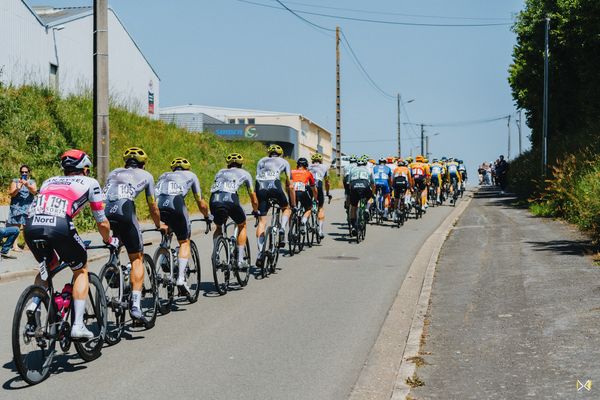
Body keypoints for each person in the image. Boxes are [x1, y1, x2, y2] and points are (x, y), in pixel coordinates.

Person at [24, 149, 116, 339]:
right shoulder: (90, 182)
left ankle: (34, 305)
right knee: (81, 270)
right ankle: (78, 325)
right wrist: (109, 240)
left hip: (31, 225)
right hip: (59, 225)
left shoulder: (49, 181)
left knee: (48, 266)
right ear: (84, 169)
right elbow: (101, 220)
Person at [104, 147, 167, 321]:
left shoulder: (114, 172)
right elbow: (153, 206)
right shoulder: (146, 176)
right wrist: (158, 224)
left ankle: (113, 266)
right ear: (143, 164)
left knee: (116, 238)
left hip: (106, 212)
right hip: (125, 211)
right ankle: (136, 306)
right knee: (137, 258)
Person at [155, 157, 210, 296]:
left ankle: (164, 253)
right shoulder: (191, 175)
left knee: (167, 230)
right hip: (176, 203)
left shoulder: (164, 175)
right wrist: (207, 216)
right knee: (184, 241)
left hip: (160, 205)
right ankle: (180, 279)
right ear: (187, 168)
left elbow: (155, 196)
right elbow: (200, 201)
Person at [209, 153, 259, 270]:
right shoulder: (245, 173)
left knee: (218, 226)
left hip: (214, 200)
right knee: (242, 224)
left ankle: (215, 253)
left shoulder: (220, 172)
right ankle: (240, 260)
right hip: (230, 199)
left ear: (228, 164)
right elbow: (252, 195)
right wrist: (255, 210)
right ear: (241, 164)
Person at [255, 144, 291, 263]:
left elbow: (257, 178)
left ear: (269, 153)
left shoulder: (261, 160)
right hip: (275, 186)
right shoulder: (284, 162)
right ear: (280, 154)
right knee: (286, 208)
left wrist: (256, 208)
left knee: (262, 221)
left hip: (261, 188)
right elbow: (288, 181)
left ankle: (260, 253)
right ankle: (282, 229)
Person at [8, 164, 37, 252]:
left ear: (29, 173)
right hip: (16, 207)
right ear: (20, 173)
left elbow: (35, 192)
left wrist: (27, 185)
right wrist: (18, 187)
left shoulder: (32, 182)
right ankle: (14, 246)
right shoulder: (15, 181)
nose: (24, 173)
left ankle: (27, 245)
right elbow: (12, 194)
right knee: (15, 227)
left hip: (28, 207)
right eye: (22, 172)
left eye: (26, 172)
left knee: (27, 227)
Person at [289, 157, 318, 234]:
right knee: (309, 208)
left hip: (292, 192)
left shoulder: (291, 172)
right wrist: (315, 199)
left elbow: (288, 185)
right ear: (306, 165)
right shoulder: (308, 173)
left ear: (297, 165)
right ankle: (303, 221)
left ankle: (290, 230)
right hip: (302, 191)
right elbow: (314, 189)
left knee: (293, 210)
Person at [347, 157, 375, 235]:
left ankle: (353, 227)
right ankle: (366, 209)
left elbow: (349, 183)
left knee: (353, 207)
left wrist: (351, 192)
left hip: (354, 185)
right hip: (364, 184)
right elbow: (373, 183)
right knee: (370, 198)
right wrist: (372, 193)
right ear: (365, 164)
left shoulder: (352, 169)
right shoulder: (369, 169)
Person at [308, 153, 331, 239]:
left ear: (312, 161)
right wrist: (328, 193)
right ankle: (320, 231)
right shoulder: (324, 167)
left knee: (307, 207)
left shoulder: (308, 167)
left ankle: (305, 222)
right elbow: (327, 182)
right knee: (320, 208)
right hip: (319, 187)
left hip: (309, 187)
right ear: (320, 161)